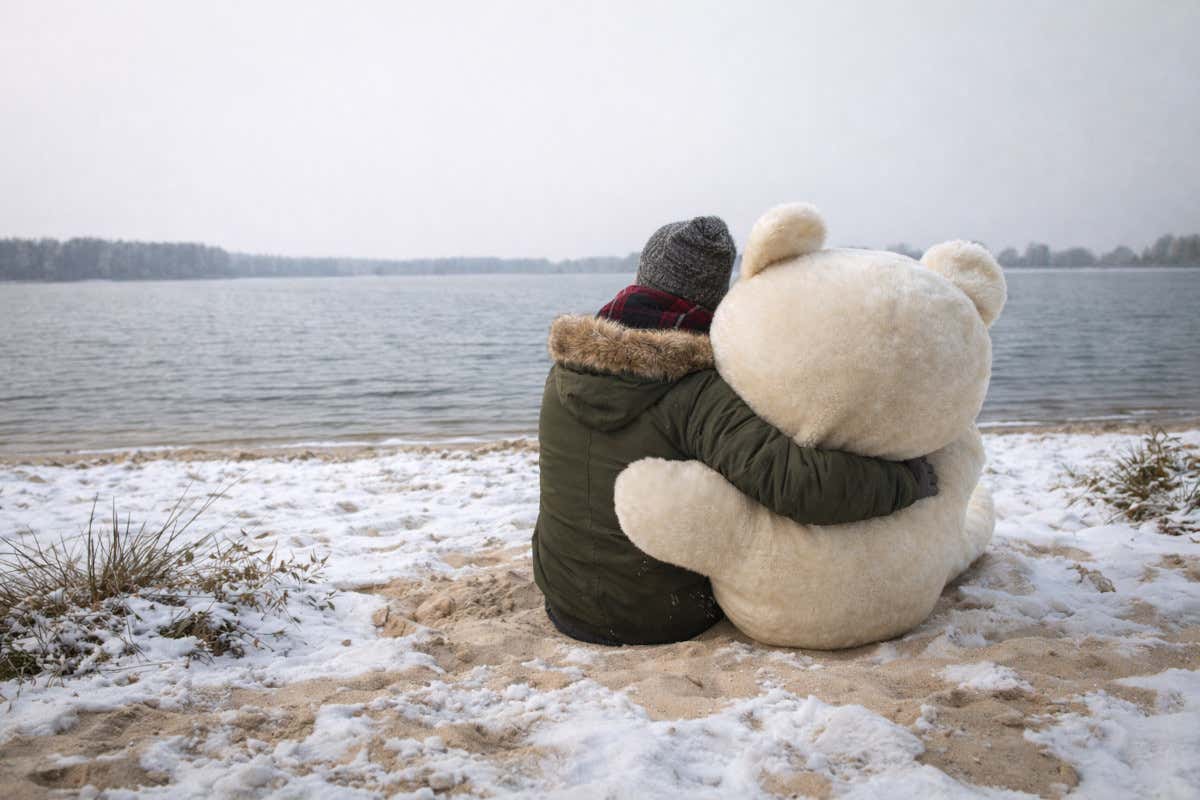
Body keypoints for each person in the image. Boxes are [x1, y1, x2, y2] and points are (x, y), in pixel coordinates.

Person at [531, 215, 938, 646]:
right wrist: (907, 480)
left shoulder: (565, 372)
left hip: (563, 599)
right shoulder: (695, 391)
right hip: (659, 616)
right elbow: (799, 485)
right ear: (715, 293)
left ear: (643, 276)